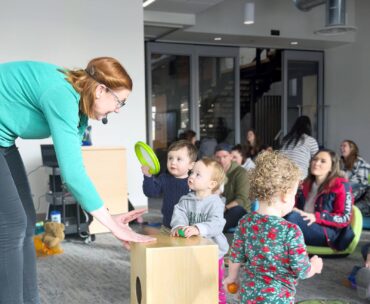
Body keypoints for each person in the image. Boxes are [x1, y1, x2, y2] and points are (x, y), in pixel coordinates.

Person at [0, 58, 155, 304]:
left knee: (27, 221)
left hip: (3, 140)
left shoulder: (81, 110)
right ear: (101, 89)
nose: (118, 109)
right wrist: (112, 226)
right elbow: (71, 175)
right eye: (119, 101)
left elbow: (78, 170)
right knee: (12, 225)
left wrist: (108, 215)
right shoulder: (63, 95)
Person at [224, 151, 323, 303]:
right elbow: (301, 270)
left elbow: (236, 255)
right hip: (279, 299)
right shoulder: (291, 231)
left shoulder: (246, 222)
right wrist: (314, 266)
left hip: (249, 296)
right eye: (295, 194)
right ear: (285, 195)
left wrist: (232, 276)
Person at [171, 157, 229, 304]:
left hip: (213, 253)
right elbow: (179, 215)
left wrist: (198, 228)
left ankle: (219, 300)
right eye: (191, 172)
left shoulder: (216, 202)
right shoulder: (185, 200)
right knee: (191, 281)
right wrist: (179, 227)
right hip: (191, 251)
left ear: (211, 184)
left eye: (198, 174)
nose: (191, 176)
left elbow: (217, 223)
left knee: (213, 283)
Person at [285, 149, 354, 250]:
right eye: (315, 159)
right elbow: (293, 205)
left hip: (328, 233)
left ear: (332, 167)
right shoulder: (304, 184)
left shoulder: (342, 185)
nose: (316, 163)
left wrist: (316, 217)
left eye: (323, 161)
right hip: (303, 223)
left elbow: (345, 218)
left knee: (291, 218)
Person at [141, 140, 197, 228]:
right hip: (168, 225)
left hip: (189, 227)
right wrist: (148, 176)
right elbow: (150, 192)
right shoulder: (164, 178)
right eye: (170, 158)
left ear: (191, 165)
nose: (173, 162)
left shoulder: (195, 182)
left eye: (179, 159)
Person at [214, 143, 250, 232]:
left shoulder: (241, 173)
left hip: (237, 210)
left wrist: (225, 208)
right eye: (218, 157)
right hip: (219, 209)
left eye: (225, 156)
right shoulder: (214, 172)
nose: (221, 160)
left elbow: (241, 200)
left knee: (237, 210)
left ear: (230, 156)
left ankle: (214, 229)